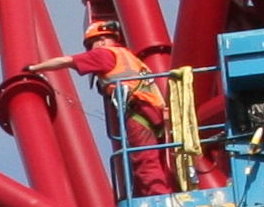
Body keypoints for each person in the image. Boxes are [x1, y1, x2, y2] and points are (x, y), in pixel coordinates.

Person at [68, 18, 187, 196]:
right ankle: (171, 191)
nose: (92, 49)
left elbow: (66, 61)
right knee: (164, 156)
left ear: (102, 40)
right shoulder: (131, 58)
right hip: (156, 111)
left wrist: (35, 67)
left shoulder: (103, 54)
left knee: (144, 158)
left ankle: (159, 196)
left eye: (92, 44)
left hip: (138, 111)